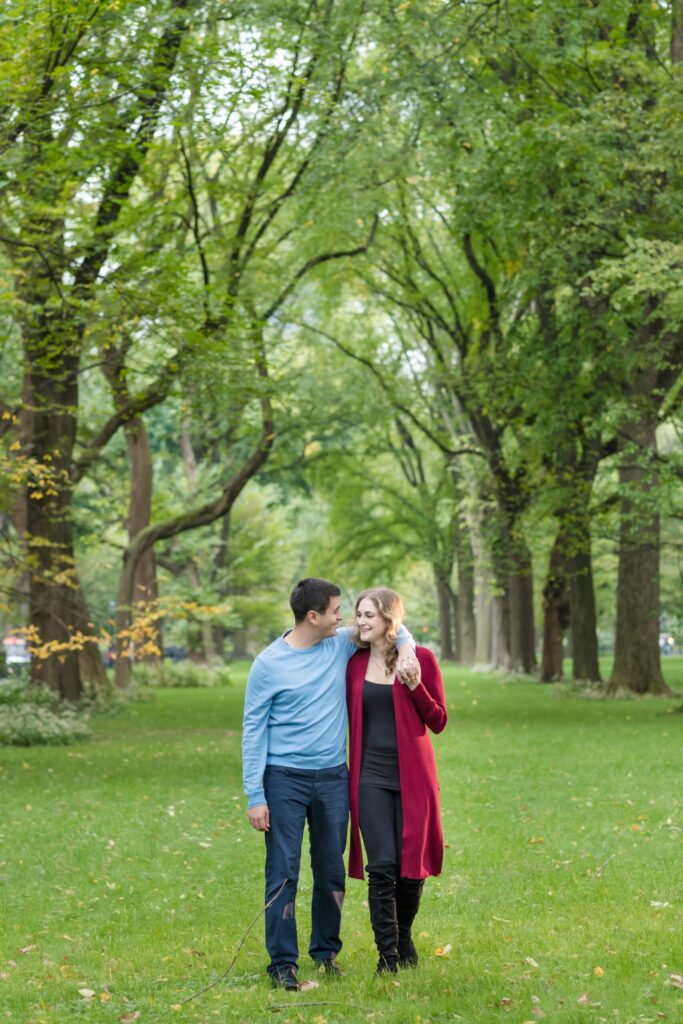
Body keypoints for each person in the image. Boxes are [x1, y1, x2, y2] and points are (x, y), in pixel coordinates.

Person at [242, 577, 419, 991]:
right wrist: (255, 795)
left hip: (334, 778)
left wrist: (407, 647)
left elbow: (393, 624)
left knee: (330, 870)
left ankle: (325, 954)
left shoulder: (339, 644)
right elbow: (253, 730)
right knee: (283, 871)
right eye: (338, 611)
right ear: (313, 616)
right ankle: (283, 963)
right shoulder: (268, 664)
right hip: (283, 780)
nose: (346, 618)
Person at [346, 587, 447, 975]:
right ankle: (386, 957)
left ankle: (403, 936)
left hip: (413, 777)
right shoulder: (353, 662)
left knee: (411, 870)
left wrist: (413, 684)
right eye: (358, 614)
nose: (361, 622)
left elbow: (438, 720)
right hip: (369, 776)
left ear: (390, 617)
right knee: (382, 866)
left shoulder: (421, 659)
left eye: (369, 615)